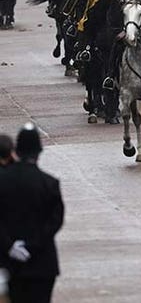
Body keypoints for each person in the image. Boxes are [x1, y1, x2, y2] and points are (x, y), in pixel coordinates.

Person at [0, 124, 64, 303]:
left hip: (9, 264)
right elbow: (55, 221)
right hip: (42, 263)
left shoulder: (2, 180)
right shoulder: (49, 183)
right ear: (39, 151)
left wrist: (10, 246)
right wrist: (33, 245)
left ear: (17, 151)